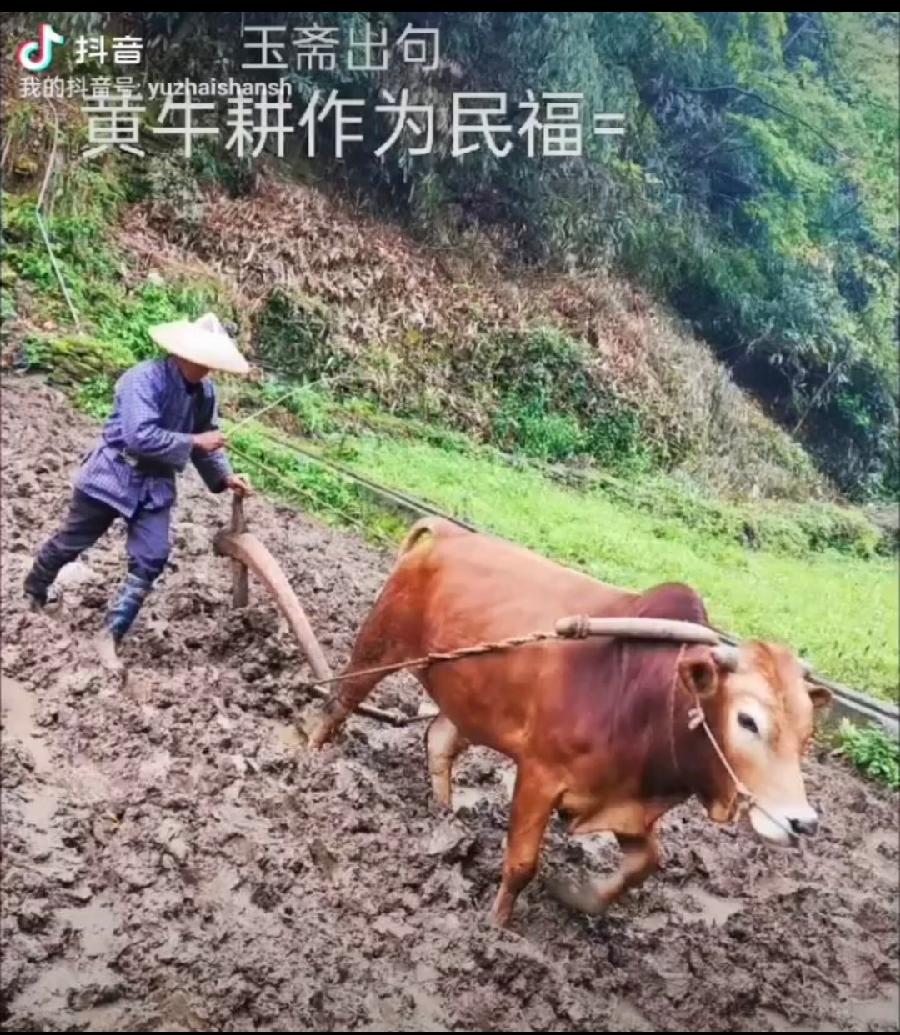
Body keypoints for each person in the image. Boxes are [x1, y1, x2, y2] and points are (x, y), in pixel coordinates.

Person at [23, 312, 253, 671]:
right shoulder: (143, 379)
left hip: (155, 484)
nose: (208, 368)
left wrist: (225, 477)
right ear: (183, 353)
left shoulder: (205, 393)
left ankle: (111, 634)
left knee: (153, 555)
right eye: (204, 359)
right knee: (72, 541)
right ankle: (34, 590)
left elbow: (208, 439)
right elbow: (140, 436)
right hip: (112, 473)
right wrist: (195, 440)